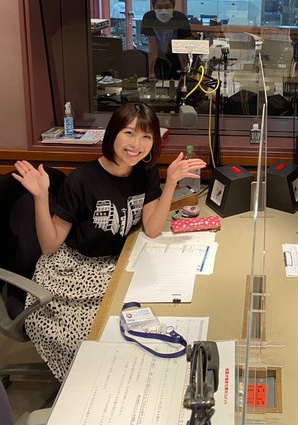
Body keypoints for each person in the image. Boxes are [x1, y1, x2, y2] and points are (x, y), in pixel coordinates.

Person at [12, 102, 206, 382]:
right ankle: (89, 387)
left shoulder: (145, 171)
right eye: (129, 133)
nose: (136, 145)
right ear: (113, 133)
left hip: (116, 265)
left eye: (146, 136)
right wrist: (41, 197)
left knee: (147, 320)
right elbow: (50, 246)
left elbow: (152, 228)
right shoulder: (81, 180)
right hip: (73, 271)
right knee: (101, 339)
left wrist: (171, 182)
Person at [141, 0, 192, 80]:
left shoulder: (180, 19)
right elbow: (152, 48)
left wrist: (185, 71)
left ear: (173, 7)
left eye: (168, 7)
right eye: (159, 7)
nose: (163, 10)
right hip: (159, 59)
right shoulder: (149, 18)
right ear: (153, 7)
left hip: (177, 58)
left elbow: (181, 50)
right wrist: (151, 72)